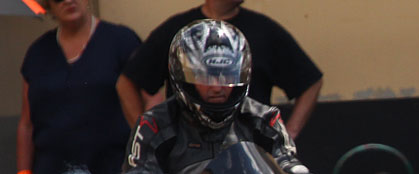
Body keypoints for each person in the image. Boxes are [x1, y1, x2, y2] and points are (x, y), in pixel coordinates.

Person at [117, 19, 329, 174]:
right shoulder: (154, 124)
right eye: (206, 77)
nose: (218, 87)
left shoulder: (264, 119)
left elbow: (293, 172)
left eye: (226, 76)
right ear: (181, 76)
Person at [116, 0, 322, 140]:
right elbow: (127, 83)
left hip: (250, 156)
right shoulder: (178, 31)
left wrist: (288, 135)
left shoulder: (265, 31)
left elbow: (310, 81)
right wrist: (146, 138)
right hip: (187, 157)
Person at [16, 0, 140, 174]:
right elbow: (26, 124)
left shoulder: (122, 41)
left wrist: (142, 168)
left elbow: (149, 106)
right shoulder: (37, 53)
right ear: (48, 4)